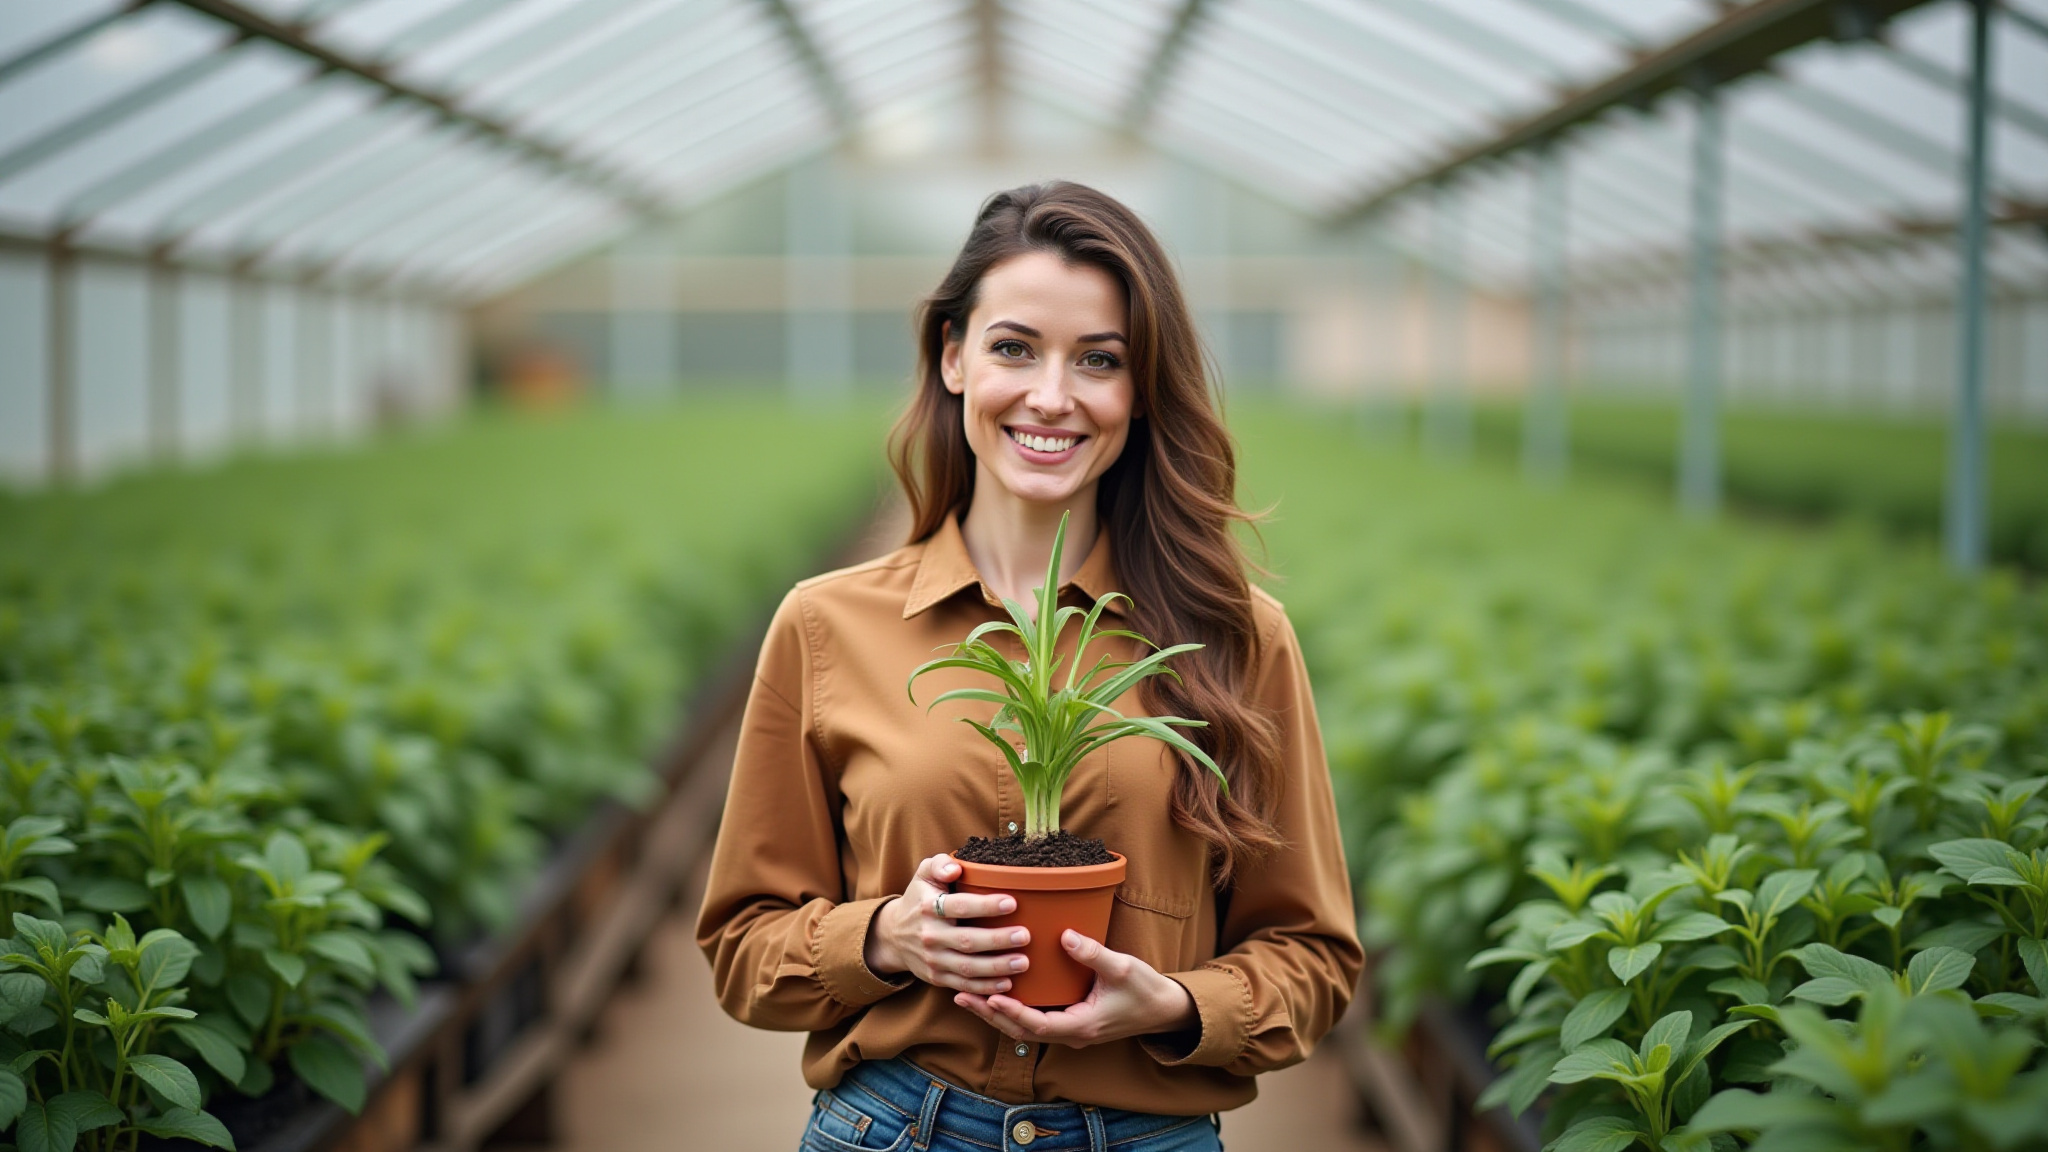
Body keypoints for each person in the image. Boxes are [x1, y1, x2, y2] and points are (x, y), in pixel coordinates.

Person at [696, 181, 1360, 1152]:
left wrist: (1174, 1003)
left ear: (1138, 392)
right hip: (892, 1127)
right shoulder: (825, 626)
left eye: (1098, 360)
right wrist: (884, 937)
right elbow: (741, 949)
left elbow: (1313, 960)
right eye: (1014, 348)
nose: (1052, 396)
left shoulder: (1231, 636)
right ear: (952, 356)